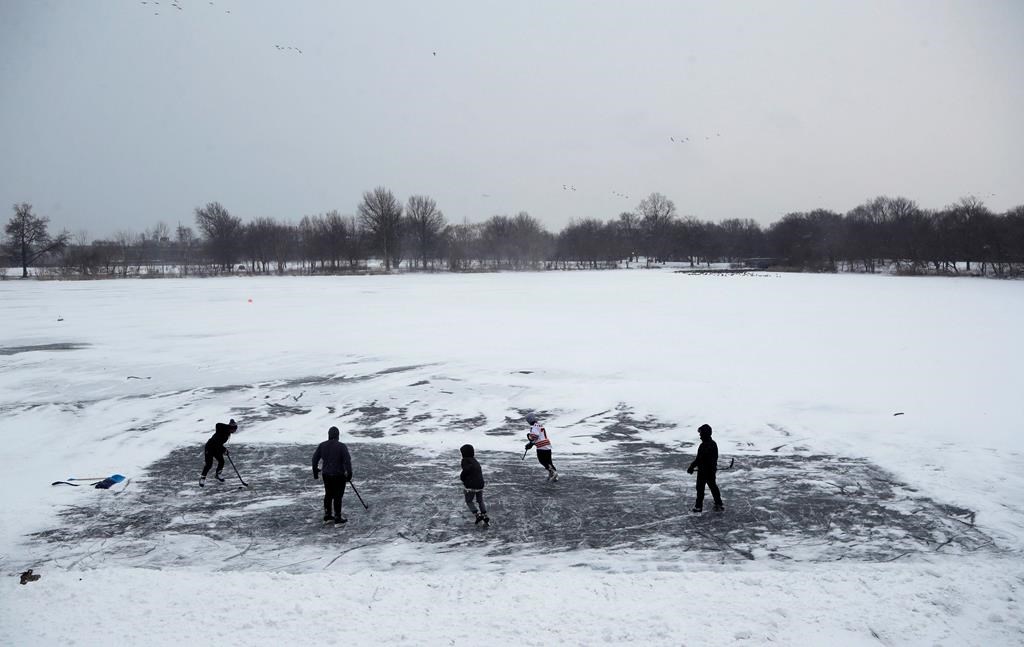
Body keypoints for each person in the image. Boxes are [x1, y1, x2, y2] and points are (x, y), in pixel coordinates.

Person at [312, 426, 352, 524]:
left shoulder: (322, 445)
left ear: (329, 435)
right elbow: (347, 461)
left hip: (326, 474)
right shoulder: (341, 446)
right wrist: (349, 474)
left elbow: (314, 459)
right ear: (338, 435)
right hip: (339, 475)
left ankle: (328, 515)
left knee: (328, 494)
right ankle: (337, 517)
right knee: (338, 495)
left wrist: (315, 472)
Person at [687, 423, 724, 512]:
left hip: (705, 472)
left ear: (705, 434)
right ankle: (718, 503)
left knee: (701, 488)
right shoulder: (713, 444)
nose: (700, 436)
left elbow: (699, 459)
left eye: (701, 433)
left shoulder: (705, 445)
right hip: (709, 471)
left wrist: (691, 467)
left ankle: (699, 507)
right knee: (712, 487)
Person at [200, 418, 237, 486]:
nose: (235, 431)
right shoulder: (222, 430)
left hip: (217, 448)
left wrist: (224, 450)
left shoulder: (227, 432)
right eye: (234, 429)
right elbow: (217, 442)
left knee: (221, 461)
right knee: (209, 464)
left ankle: (218, 474)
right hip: (210, 447)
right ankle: (202, 478)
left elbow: (219, 444)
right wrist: (224, 450)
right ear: (231, 428)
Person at [459, 444, 489, 526]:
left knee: (469, 501)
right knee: (480, 500)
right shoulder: (475, 461)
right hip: (480, 484)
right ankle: (484, 514)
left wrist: (462, 478)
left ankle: (477, 515)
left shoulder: (465, 460)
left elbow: (466, 470)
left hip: (471, 485)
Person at [525, 413, 557, 481]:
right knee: (549, 461)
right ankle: (553, 474)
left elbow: (535, 436)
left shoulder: (534, 426)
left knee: (542, 461)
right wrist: (531, 443)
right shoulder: (540, 425)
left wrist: (529, 439)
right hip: (547, 445)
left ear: (529, 420)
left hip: (541, 446)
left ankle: (552, 472)